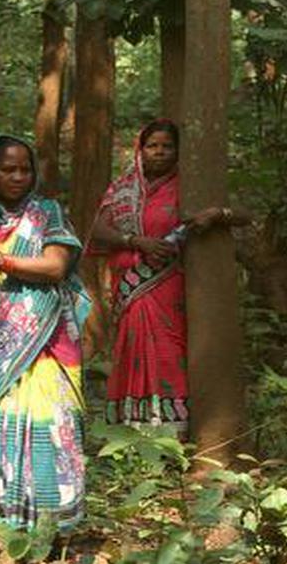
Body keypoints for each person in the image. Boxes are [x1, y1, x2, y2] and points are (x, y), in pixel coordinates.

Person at [0, 134, 90, 530]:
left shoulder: (47, 212)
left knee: (55, 423)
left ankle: (56, 525)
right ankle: (7, 525)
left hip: (49, 343)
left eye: (25, 169)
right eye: (6, 169)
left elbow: (55, 266)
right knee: (2, 422)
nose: (18, 176)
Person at [88, 119, 245, 437]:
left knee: (168, 352)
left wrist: (216, 214)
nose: (159, 152)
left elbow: (243, 214)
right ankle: (130, 431)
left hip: (169, 285)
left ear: (178, 151)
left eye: (167, 146)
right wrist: (136, 242)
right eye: (152, 146)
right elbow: (98, 230)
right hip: (131, 285)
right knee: (131, 351)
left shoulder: (191, 186)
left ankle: (170, 433)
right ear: (140, 149)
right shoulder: (123, 188)